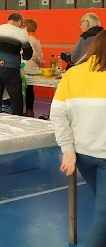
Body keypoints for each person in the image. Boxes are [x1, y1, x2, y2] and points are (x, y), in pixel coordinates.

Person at [50, 30, 106, 247]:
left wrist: (67, 149)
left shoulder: (73, 74)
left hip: (82, 154)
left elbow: (58, 114)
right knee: (103, 214)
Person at [0, 13, 32, 116]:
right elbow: (28, 55)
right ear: (20, 22)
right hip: (11, 69)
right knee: (16, 100)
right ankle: (17, 122)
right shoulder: (21, 32)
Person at [22, 18, 44, 117]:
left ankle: (28, 110)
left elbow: (32, 54)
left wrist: (39, 61)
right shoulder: (36, 38)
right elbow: (40, 53)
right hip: (34, 67)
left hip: (28, 67)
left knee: (27, 89)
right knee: (29, 89)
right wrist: (40, 62)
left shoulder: (29, 38)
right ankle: (29, 110)